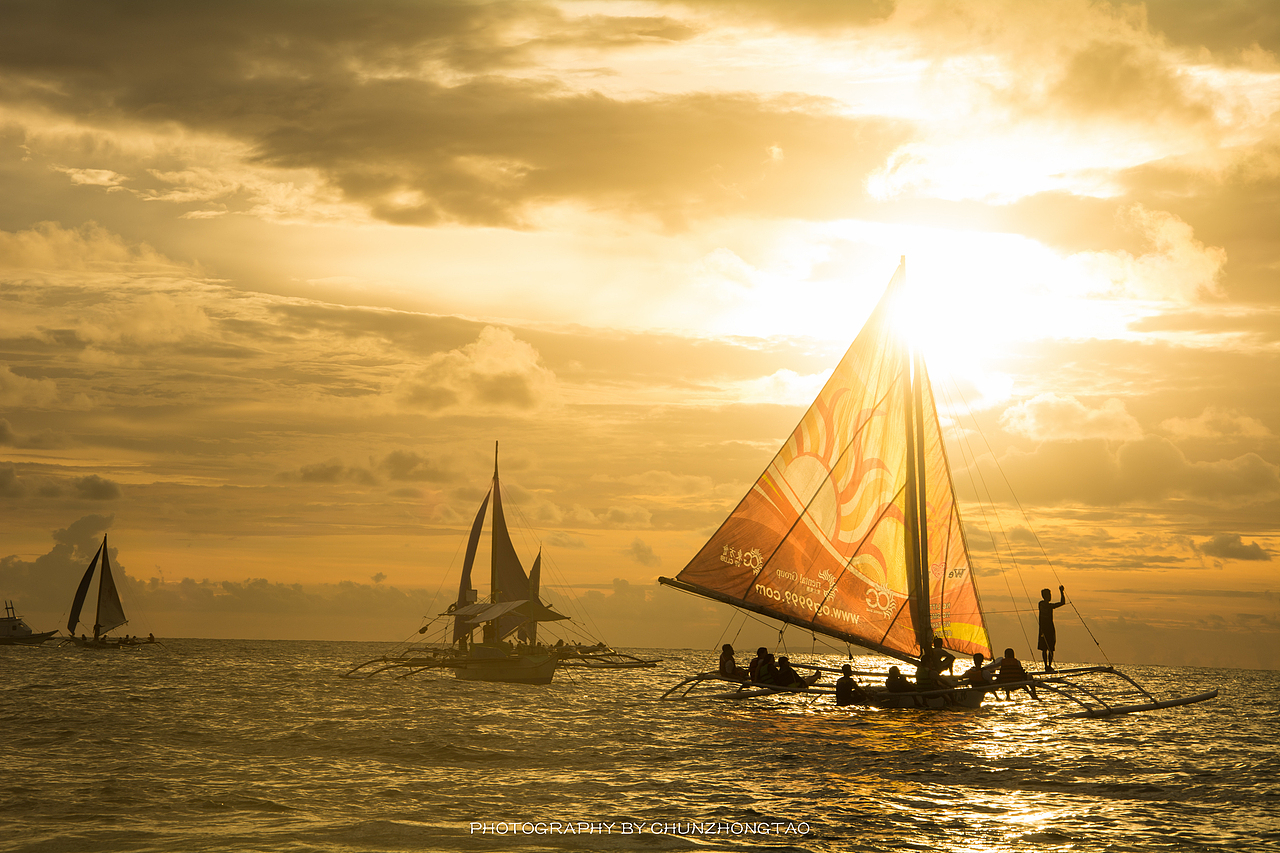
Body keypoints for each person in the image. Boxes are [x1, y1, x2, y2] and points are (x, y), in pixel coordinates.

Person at [1038, 585, 1066, 671]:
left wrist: (1061, 592)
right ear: (1044, 596)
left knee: (1051, 649)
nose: (1050, 596)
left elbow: (1062, 602)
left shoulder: (1050, 605)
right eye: (1048, 595)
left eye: (1050, 595)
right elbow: (1047, 607)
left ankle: (1049, 665)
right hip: (1043, 629)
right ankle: (1046, 665)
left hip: (1050, 629)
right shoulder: (1041, 604)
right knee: (1044, 648)